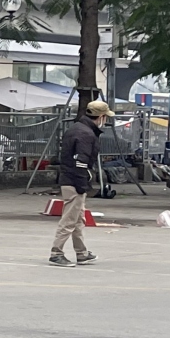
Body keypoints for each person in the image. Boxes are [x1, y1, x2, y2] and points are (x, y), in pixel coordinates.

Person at [50, 100, 112, 267]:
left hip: (69, 178)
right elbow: (81, 161)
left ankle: (82, 252)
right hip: (75, 180)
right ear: (101, 117)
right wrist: (82, 183)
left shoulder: (76, 129)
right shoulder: (86, 134)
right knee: (70, 219)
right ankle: (56, 252)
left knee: (78, 219)